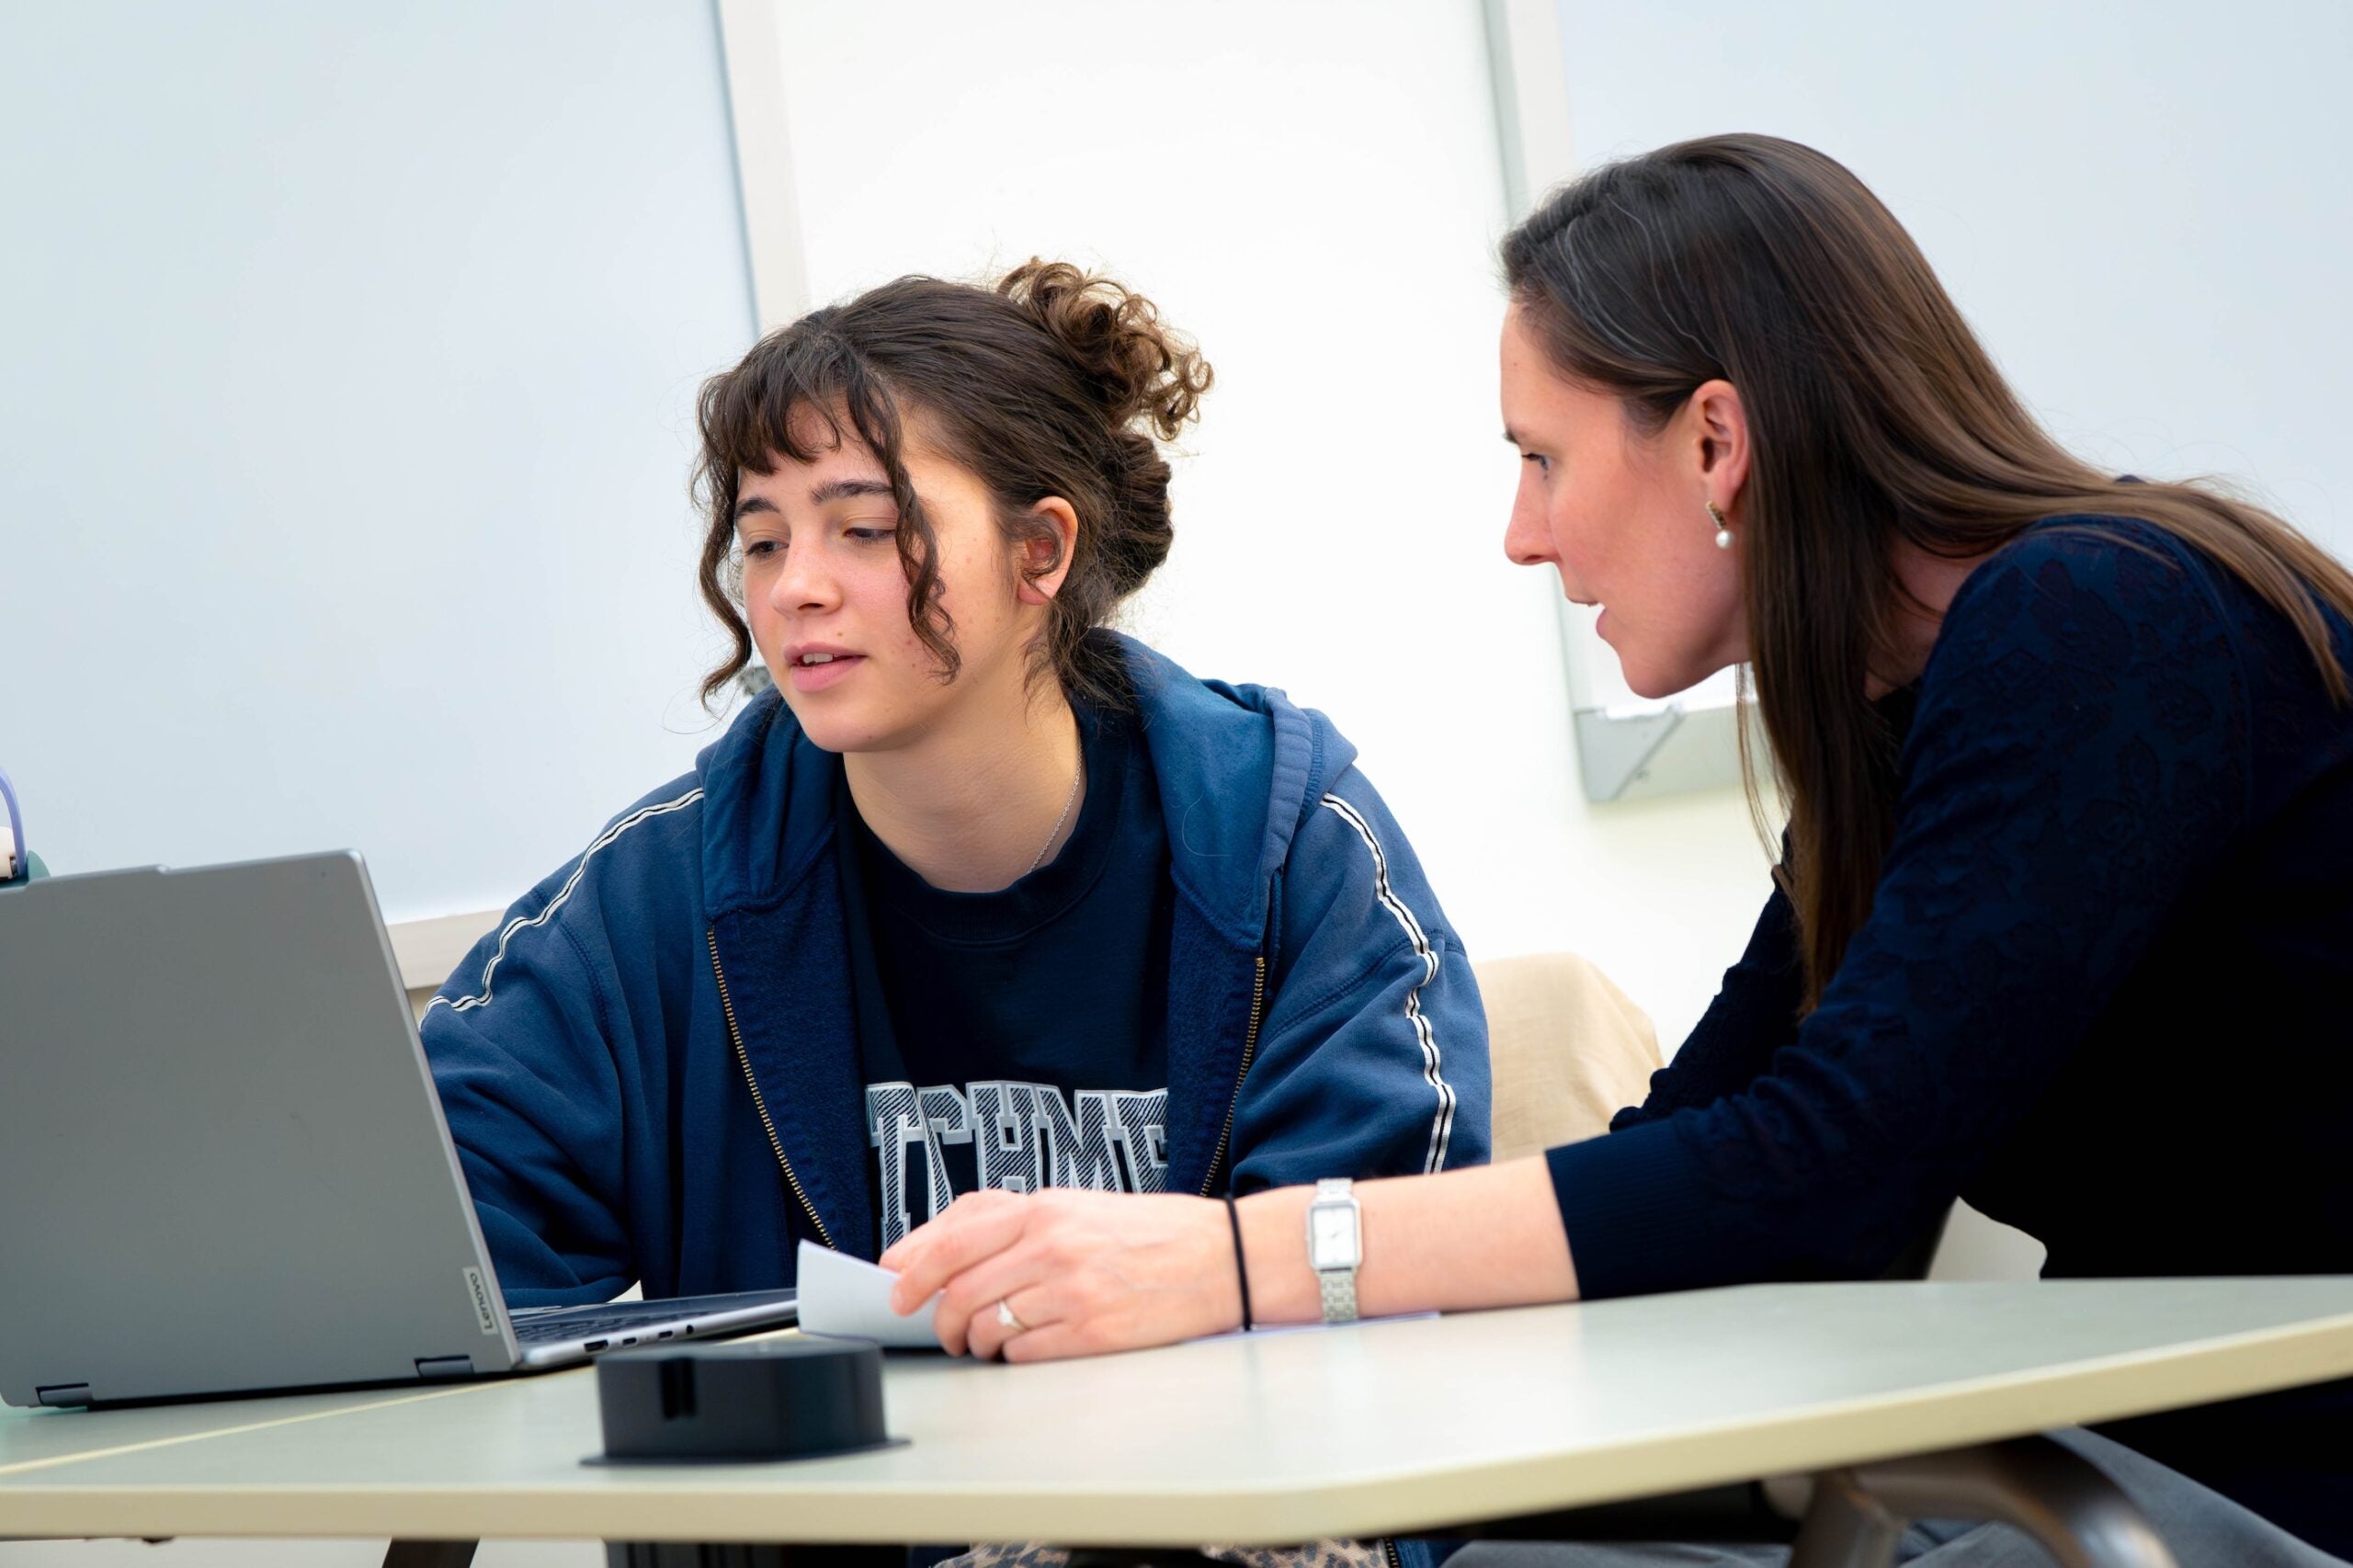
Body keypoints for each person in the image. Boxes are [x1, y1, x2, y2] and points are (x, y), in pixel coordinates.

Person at [880, 140, 2353, 1562]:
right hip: (2139, 1452)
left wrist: (1236, 1261)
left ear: (1716, 440)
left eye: (1544, 460)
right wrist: (1240, 1306)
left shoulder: (2097, 622)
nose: (1524, 536)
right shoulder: (1902, 719)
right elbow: (1708, 1141)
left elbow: (1825, 1180)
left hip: (2265, 1475)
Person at [421, 261, 1489, 1315]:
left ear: (1039, 550)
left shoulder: (1288, 842)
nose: (795, 586)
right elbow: (442, 1233)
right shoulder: (656, 896)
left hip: (1219, 1478)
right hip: (842, 1491)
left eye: (866, 528)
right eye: (762, 539)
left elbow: (1383, 1249)